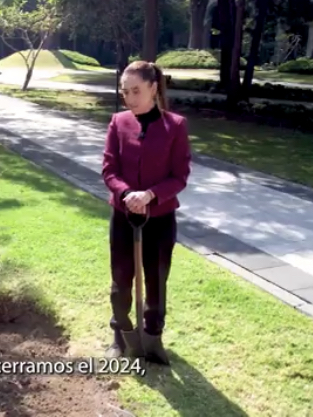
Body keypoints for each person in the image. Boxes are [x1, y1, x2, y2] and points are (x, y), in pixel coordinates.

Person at [101, 60, 192, 365]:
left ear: (153, 88)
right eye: (125, 91)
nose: (129, 97)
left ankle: (153, 338)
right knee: (121, 279)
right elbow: (109, 169)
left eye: (136, 90)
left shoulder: (175, 126)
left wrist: (150, 195)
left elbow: (180, 176)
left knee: (156, 280)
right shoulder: (118, 122)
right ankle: (121, 335)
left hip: (160, 218)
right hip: (123, 216)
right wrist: (127, 193)